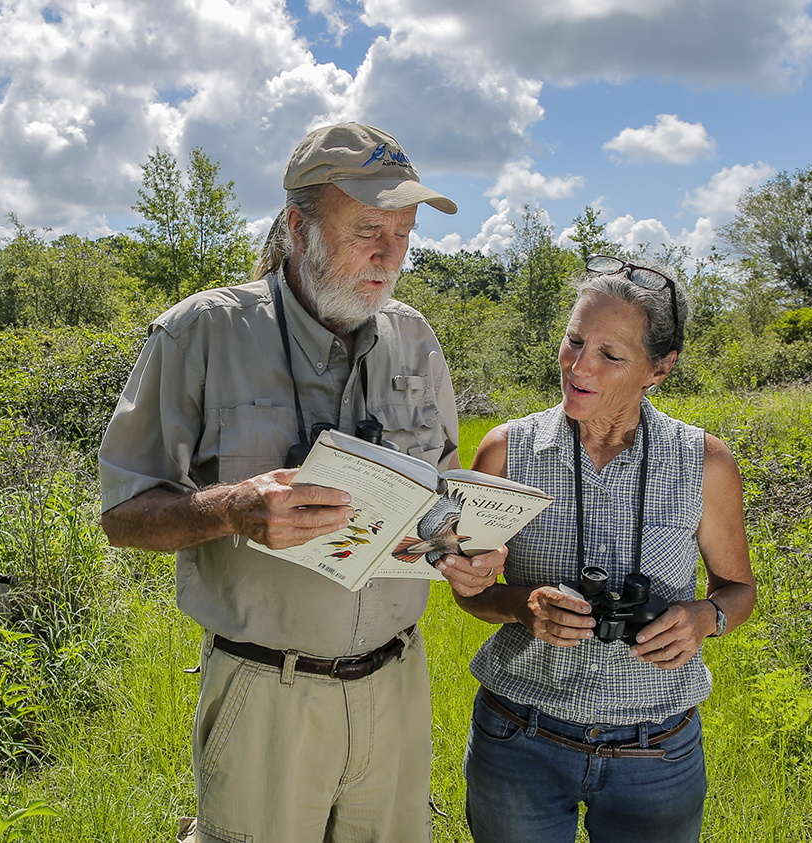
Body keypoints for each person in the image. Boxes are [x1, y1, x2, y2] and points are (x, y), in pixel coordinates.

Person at [99, 122, 507, 843]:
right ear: (298, 225)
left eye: (405, 236)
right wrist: (234, 508)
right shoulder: (200, 334)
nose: (390, 258)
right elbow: (125, 515)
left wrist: (465, 549)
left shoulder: (416, 338)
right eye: (368, 232)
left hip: (397, 687)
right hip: (266, 693)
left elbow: (439, 489)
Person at [453, 256, 756, 843]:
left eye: (610, 355)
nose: (579, 366)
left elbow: (737, 590)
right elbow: (473, 592)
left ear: (659, 368)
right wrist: (523, 606)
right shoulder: (505, 451)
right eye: (573, 341)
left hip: (658, 750)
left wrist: (704, 618)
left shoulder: (705, 464)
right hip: (519, 739)